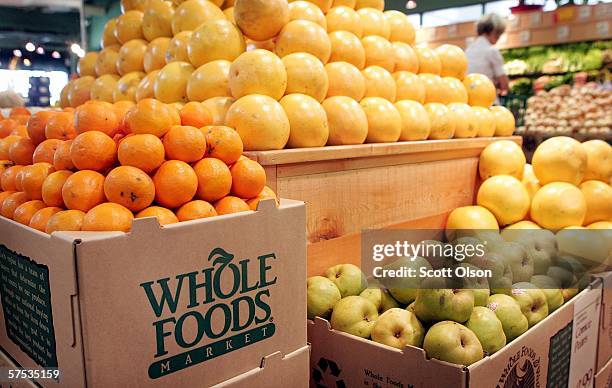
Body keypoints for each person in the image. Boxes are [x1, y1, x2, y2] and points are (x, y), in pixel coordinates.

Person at [465, 13, 509, 102]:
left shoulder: (468, 50)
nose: (499, 38)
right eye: (499, 34)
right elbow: (504, 84)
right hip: (488, 101)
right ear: (494, 31)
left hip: (469, 101)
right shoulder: (492, 51)